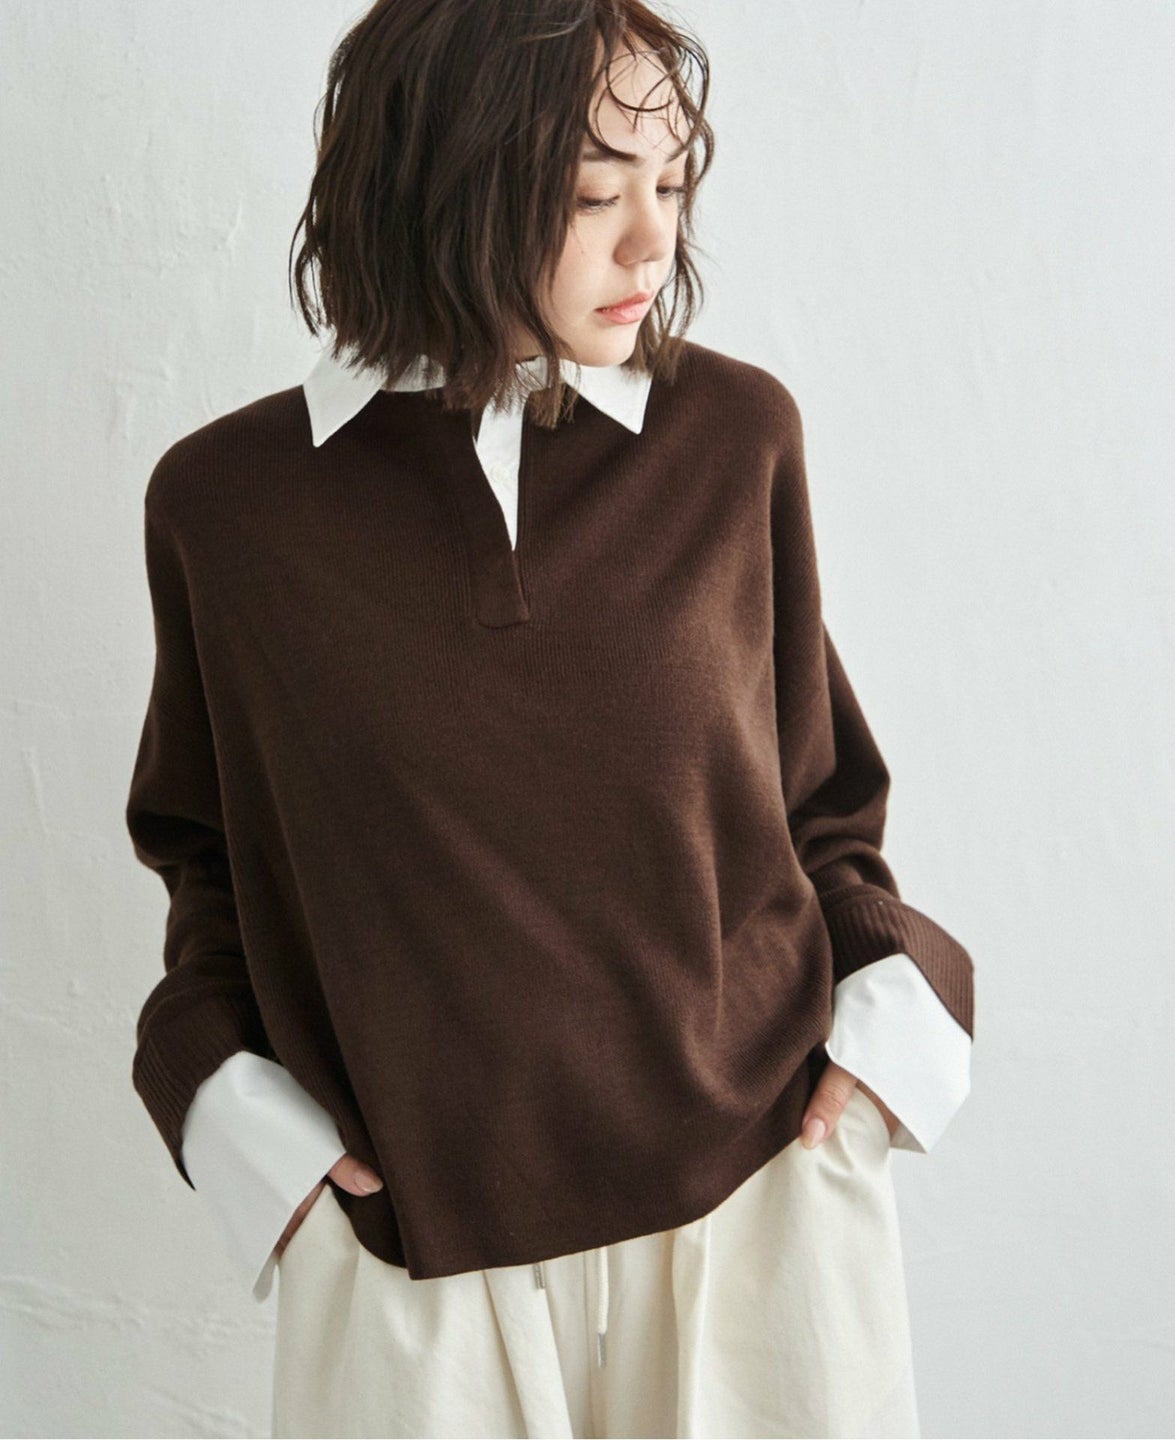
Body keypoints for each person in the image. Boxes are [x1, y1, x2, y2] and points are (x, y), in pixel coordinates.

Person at [124, 2, 974, 1435]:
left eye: (671, 182)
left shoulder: (733, 441)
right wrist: (239, 1124)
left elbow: (819, 806)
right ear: (439, 182)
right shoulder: (229, 508)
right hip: (414, 1257)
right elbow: (213, 862)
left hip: (760, 1216)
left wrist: (887, 1039)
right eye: (591, 195)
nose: (652, 241)